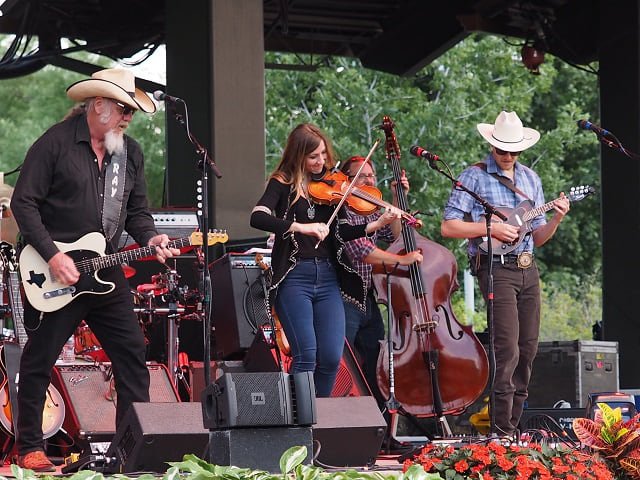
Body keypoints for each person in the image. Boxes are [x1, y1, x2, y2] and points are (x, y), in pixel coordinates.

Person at [10, 68, 180, 471]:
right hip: (56, 272)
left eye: (132, 112)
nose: (128, 117)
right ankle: (29, 448)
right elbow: (24, 204)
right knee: (39, 359)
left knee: (133, 357)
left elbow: (137, 212)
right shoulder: (54, 144)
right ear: (98, 105)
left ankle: (132, 451)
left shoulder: (129, 153)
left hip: (104, 273)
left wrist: (151, 238)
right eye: (122, 108)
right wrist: (53, 255)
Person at [441, 111, 570, 437]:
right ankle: (501, 430)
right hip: (496, 268)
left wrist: (555, 219)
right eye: (502, 150)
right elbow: (448, 226)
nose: (508, 156)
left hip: (528, 268)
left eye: (513, 150)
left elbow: (538, 236)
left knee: (528, 349)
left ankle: (512, 424)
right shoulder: (473, 177)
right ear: (492, 146)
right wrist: (493, 228)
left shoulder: (531, 179)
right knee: (507, 349)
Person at [250, 123, 401, 397]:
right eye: (313, 157)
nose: (322, 162)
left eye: (323, 155)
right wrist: (299, 227)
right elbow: (257, 216)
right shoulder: (282, 183)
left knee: (332, 357)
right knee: (306, 355)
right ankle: (299, 424)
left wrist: (377, 222)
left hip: (328, 277)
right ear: (299, 156)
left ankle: (316, 419)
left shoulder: (330, 186)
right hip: (295, 278)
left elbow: (342, 231)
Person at [340, 156, 422, 405]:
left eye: (371, 175)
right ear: (347, 179)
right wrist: (402, 261)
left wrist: (397, 200)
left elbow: (396, 235)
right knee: (345, 364)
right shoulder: (343, 210)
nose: (369, 180)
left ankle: (377, 422)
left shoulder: (372, 209)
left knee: (376, 363)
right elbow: (361, 251)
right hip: (343, 298)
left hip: (368, 298)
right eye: (361, 175)